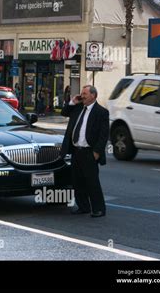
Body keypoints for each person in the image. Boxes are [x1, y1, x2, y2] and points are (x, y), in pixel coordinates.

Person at [61, 85, 109, 218]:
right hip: (76, 150)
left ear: (93, 95)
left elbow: (104, 135)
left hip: (90, 152)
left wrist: (97, 152)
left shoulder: (101, 112)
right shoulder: (77, 108)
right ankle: (83, 207)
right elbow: (64, 113)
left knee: (92, 182)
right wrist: (72, 102)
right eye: (81, 93)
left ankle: (99, 208)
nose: (82, 96)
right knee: (77, 181)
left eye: (85, 94)